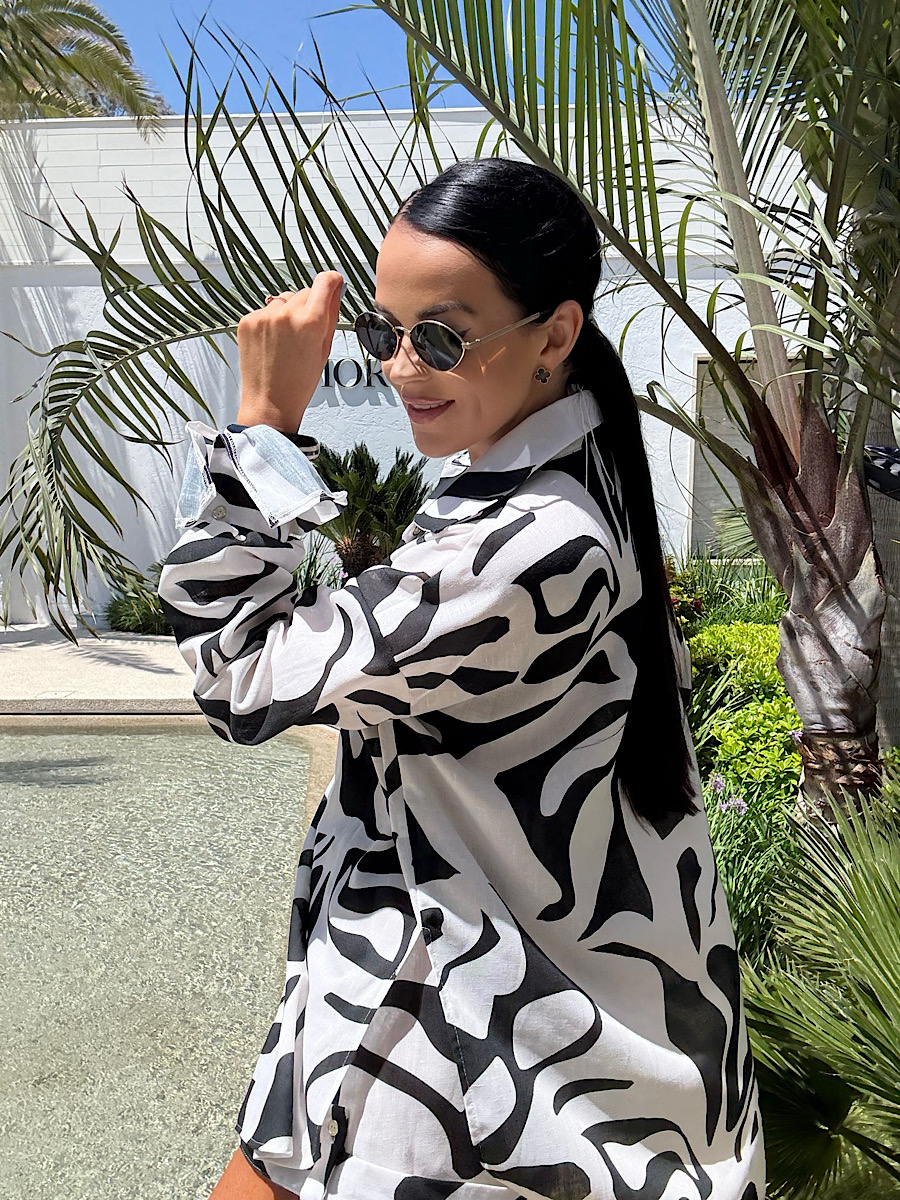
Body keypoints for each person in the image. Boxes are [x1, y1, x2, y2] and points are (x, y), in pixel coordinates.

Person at [157, 157, 766, 1200]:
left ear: (556, 335)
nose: (402, 368)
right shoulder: (536, 482)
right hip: (429, 993)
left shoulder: (529, 545)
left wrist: (261, 428)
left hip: (473, 1058)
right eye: (382, 332)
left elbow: (237, 675)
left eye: (440, 337)